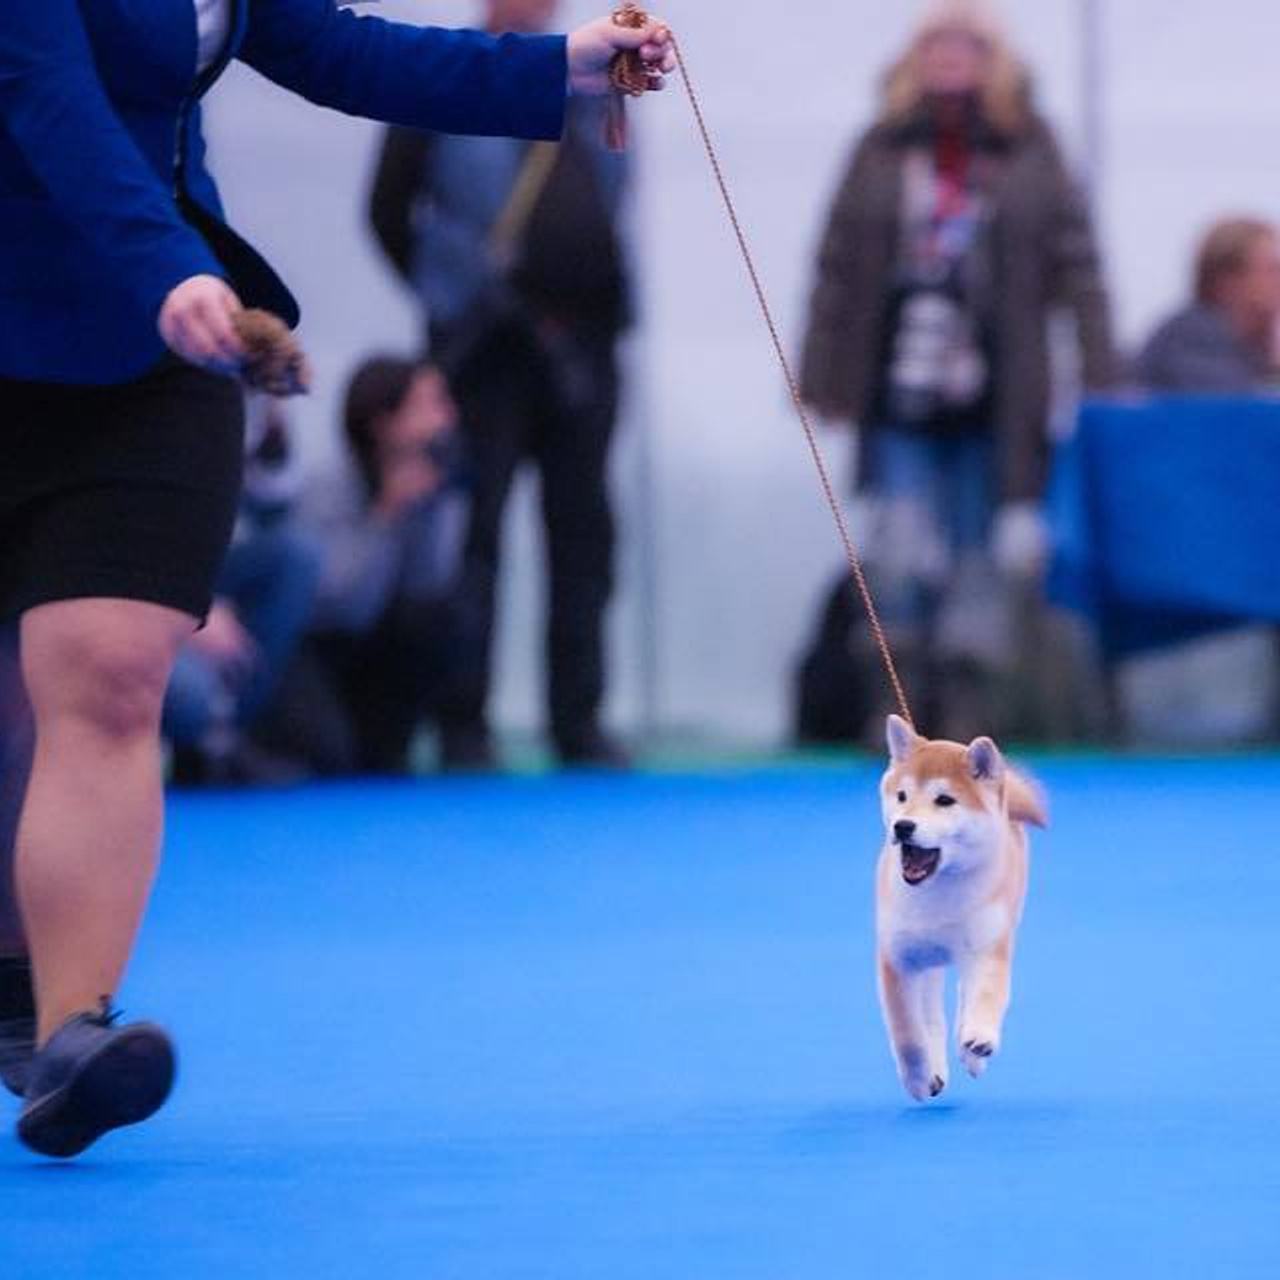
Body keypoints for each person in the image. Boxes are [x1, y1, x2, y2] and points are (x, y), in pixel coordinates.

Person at [0, 2, 674, 1159]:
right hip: (77, 298)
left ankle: (69, 1038)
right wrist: (167, 262)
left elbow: (343, 53)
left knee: (109, 673)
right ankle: (16, 979)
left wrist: (562, 66)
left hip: (149, 347)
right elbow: (49, 101)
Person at [798, 0, 1115, 744]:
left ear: (991, 59)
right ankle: (901, 707)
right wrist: (822, 376)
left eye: (965, 44)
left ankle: (971, 712)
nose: (949, 56)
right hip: (896, 394)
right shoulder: (878, 149)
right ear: (915, 58)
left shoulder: (1032, 147)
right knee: (899, 547)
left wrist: (1101, 368)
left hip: (995, 398)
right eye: (935, 43)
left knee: (982, 554)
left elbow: (1079, 264)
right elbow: (835, 267)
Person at [368, 0, 635, 770]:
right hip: (485, 352)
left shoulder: (591, 75)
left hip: (582, 347)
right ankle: (464, 724)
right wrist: (449, 297)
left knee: (583, 536)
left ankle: (578, 721)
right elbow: (388, 211)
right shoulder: (442, 73)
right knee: (473, 536)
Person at [269, 357, 476, 776]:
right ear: (383, 421)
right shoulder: (327, 486)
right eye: (430, 404)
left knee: (452, 618)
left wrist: (433, 511)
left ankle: (385, 741)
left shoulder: (435, 485)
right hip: (313, 647)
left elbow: (430, 588)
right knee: (330, 757)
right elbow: (334, 602)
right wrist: (384, 517)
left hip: (373, 643)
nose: (447, 417)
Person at [1136, 217, 1280, 393]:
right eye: (1272, 269)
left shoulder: (1248, 343)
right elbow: (1238, 408)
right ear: (1228, 281)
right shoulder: (1189, 339)